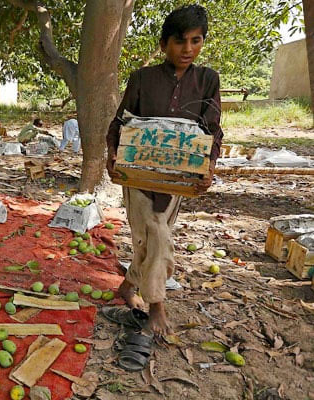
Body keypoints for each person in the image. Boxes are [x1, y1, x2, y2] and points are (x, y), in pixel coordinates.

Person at [105, 5, 222, 337]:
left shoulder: (207, 81)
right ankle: (156, 305)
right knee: (156, 234)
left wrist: (208, 167)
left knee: (150, 239)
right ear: (163, 44)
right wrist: (113, 156)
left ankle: (129, 287)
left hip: (177, 180)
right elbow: (120, 124)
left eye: (195, 41)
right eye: (179, 41)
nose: (187, 50)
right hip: (139, 175)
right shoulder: (142, 79)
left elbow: (212, 130)